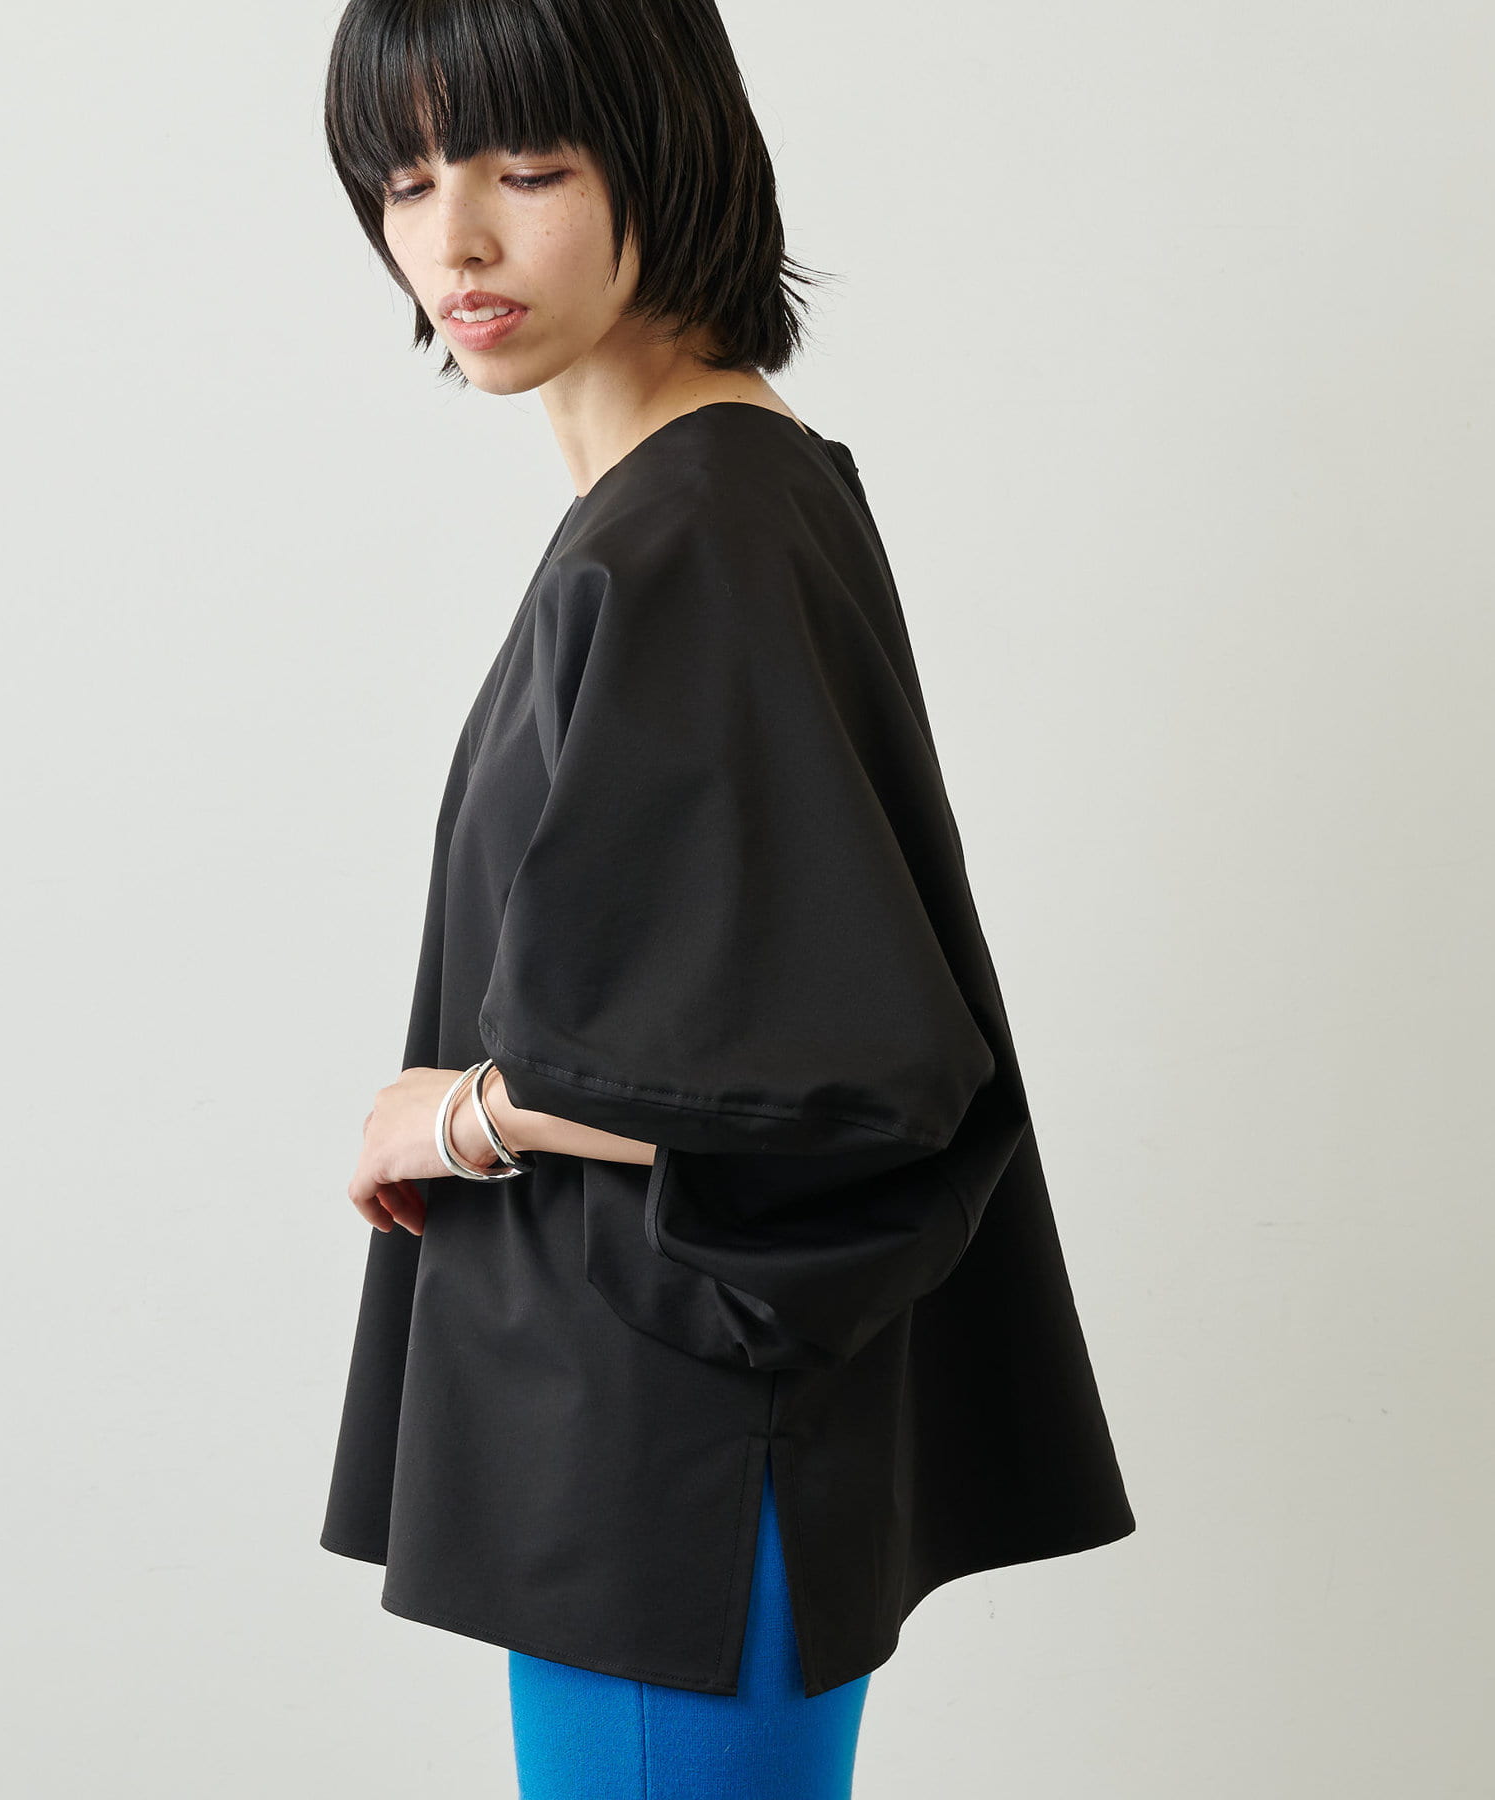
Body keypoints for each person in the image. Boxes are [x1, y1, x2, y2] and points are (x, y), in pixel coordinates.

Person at [318, 3, 1137, 1795]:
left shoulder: (701, 530)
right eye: (406, 178)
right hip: (655, 1446)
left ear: (664, 156)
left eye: (529, 169)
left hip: (669, 1471)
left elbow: (840, 1069)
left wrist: (455, 1116)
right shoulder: (693, 505)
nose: (456, 241)